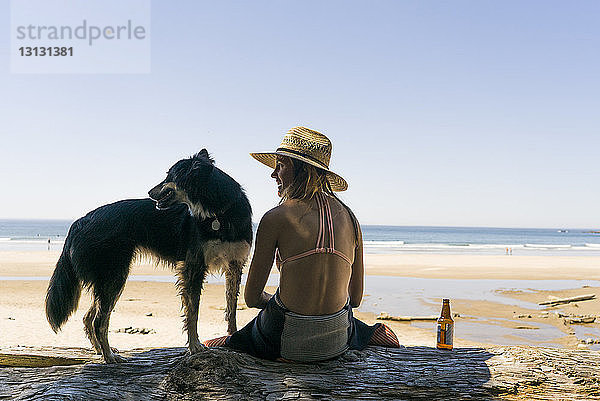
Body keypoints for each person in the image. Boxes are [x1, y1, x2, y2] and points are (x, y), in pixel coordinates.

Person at [204, 126, 399, 362]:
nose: (274, 174)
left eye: (281, 165)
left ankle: (231, 341)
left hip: (288, 342)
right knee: (351, 320)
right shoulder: (351, 218)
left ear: (301, 169)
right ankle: (370, 332)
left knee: (248, 334)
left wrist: (277, 300)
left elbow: (252, 299)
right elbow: (355, 299)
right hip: (337, 342)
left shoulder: (276, 217)